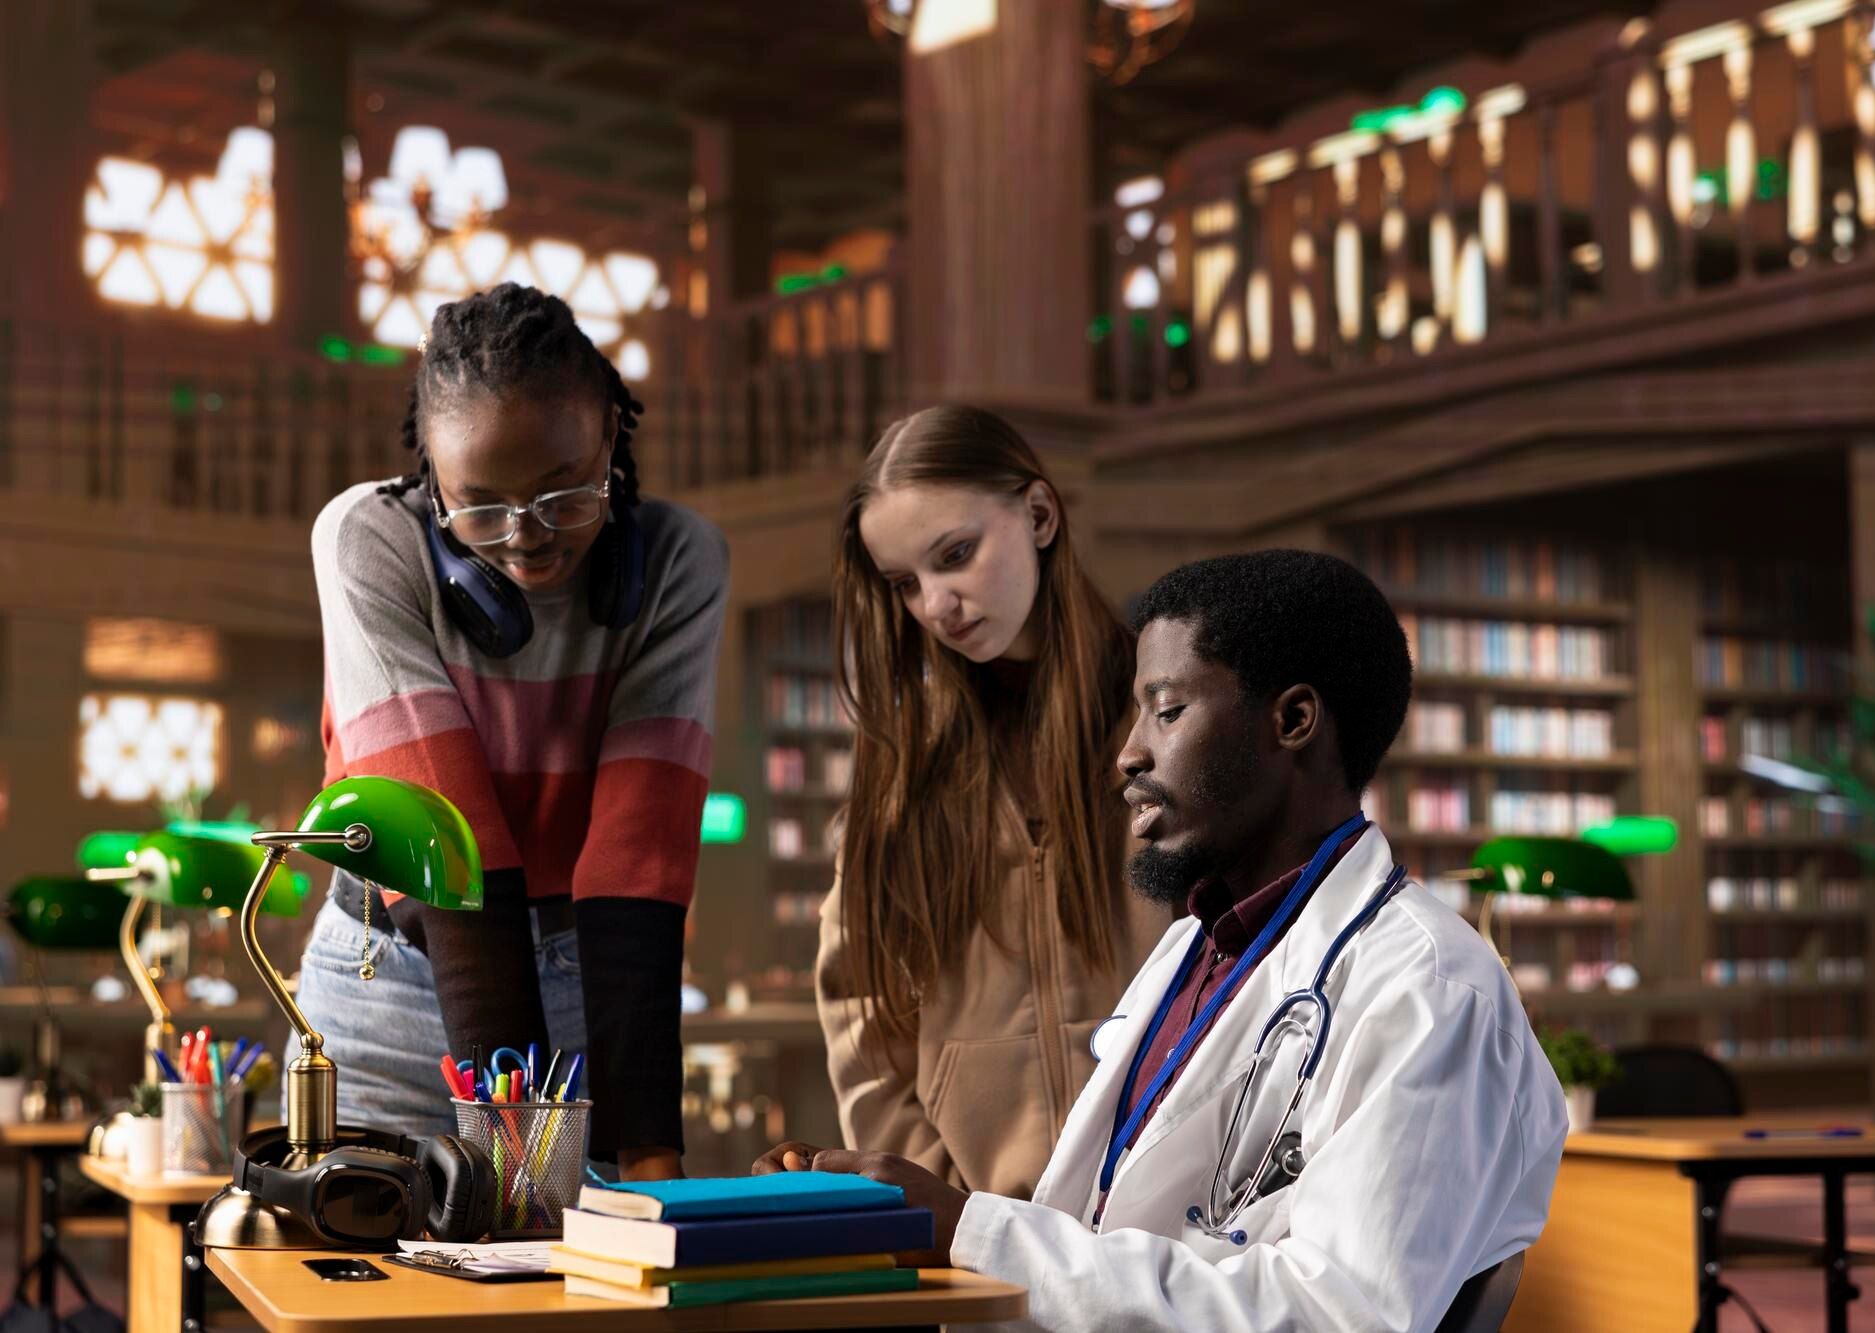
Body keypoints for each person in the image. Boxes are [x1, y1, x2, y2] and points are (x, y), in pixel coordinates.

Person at [758, 549, 1566, 1331]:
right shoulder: (1194, 950)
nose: (1129, 752)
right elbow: (1098, 1233)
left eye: (1167, 709)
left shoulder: (1428, 987)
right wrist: (876, 1207)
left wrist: (972, 1232)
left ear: (1292, 720)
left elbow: (1338, 1314)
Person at [300, 282, 727, 1179]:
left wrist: (646, 1144)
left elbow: (636, 854)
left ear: (611, 432)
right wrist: (520, 1151)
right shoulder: (366, 538)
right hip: (386, 980)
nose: (524, 541)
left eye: (564, 495)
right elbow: (442, 838)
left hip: (585, 984)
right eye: (479, 505)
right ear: (430, 475)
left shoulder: (682, 562)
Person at [813, 405, 1169, 1200]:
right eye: (906, 583)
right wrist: (943, 1201)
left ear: (1039, 515)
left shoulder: (1163, 726)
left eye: (957, 554)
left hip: (1172, 1237)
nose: (937, 604)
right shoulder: (902, 771)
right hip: (977, 1245)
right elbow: (862, 1006)